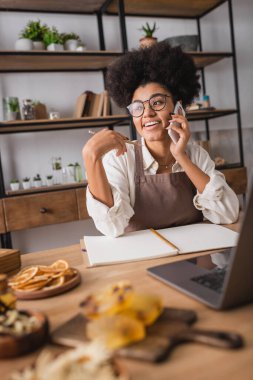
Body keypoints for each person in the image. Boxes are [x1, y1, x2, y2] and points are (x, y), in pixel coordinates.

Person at [82, 42, 239, 237]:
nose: (147, 113)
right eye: (137, 107)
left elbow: (228, 214)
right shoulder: (121, 159)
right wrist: (91, 157)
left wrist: (181, 157)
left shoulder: (196, 155)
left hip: (195, 257)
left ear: (178, 107)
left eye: (157, 102)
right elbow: (111, 227)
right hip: (141, 261)